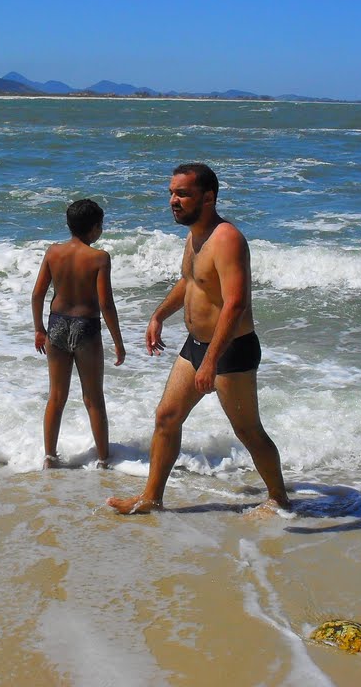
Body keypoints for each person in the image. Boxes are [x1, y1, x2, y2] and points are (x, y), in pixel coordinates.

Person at [107, 163, 291, 514]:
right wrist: (159, 315)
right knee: (167, 417)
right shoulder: (194, 235)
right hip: (196, 345)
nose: (174, 201)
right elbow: (191, 282)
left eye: (183, 194)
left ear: (209, 197)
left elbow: (236, 303)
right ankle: (151, 498)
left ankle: (279, 498)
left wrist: (211, 361)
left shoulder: (227, 239)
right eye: (172, 193)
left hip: (230, 350)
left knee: (248, 431)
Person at [32, 198, 125, 468]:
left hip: (56, 324)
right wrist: (118, 342)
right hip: (86, 327)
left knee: (56, 396)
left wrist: (39, 328)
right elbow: (106, 304)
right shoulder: (99, 258)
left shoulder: (53, 252)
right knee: (93, 398)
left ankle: (50, 457)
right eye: (101, 225)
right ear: (95, 227)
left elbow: (38, 294)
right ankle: (104, 459)